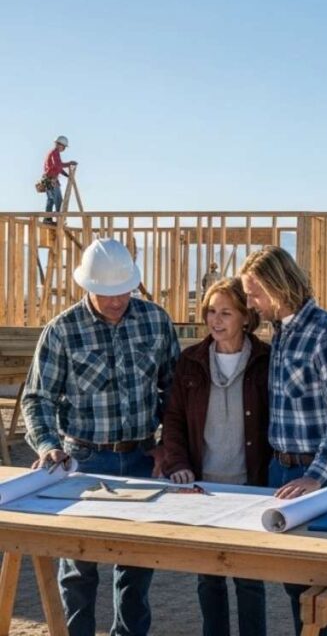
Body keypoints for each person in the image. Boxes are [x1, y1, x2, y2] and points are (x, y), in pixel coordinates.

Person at [22, 238, 180, 636]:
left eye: (123, 291)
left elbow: (175, 392)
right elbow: (37, 398)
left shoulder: (155, 321)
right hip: (84, 462)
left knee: (137, 566)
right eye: (107, 293)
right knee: (78, 569)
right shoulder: (62, 331)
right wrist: (48, 446)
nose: (116, 301)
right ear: (86, 286)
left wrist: (169, 446)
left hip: (144, 458)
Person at [240, 246, 327, 636]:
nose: (250, 303)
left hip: (319, 477)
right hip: (282, 471)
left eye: (255, 293)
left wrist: (317, 475)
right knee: (297, 584)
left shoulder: (326, 334)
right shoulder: (281, 333)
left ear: (278, 287)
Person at [162, 277, 271, 636]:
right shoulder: (191, 361)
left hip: (251, 486)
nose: (215, 319)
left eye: (226, 312)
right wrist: (177, 464)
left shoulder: (265, 360)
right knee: (209, 579)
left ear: (245, 317)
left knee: (250, 579)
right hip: (204, 488)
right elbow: (174, 418)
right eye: (211, 311)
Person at [41, 135, 77, 223]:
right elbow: (58, 165)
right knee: (58, 200)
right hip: (51, 180)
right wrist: (69, 164)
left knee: (51, 200)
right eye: (64, 147)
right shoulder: (55, 152)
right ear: (60, 145)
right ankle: (58, 220)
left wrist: (67, 175)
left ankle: (47, 219)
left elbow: (58, 168)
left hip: (49, 179)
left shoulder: (54, 153)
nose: (64, 149)